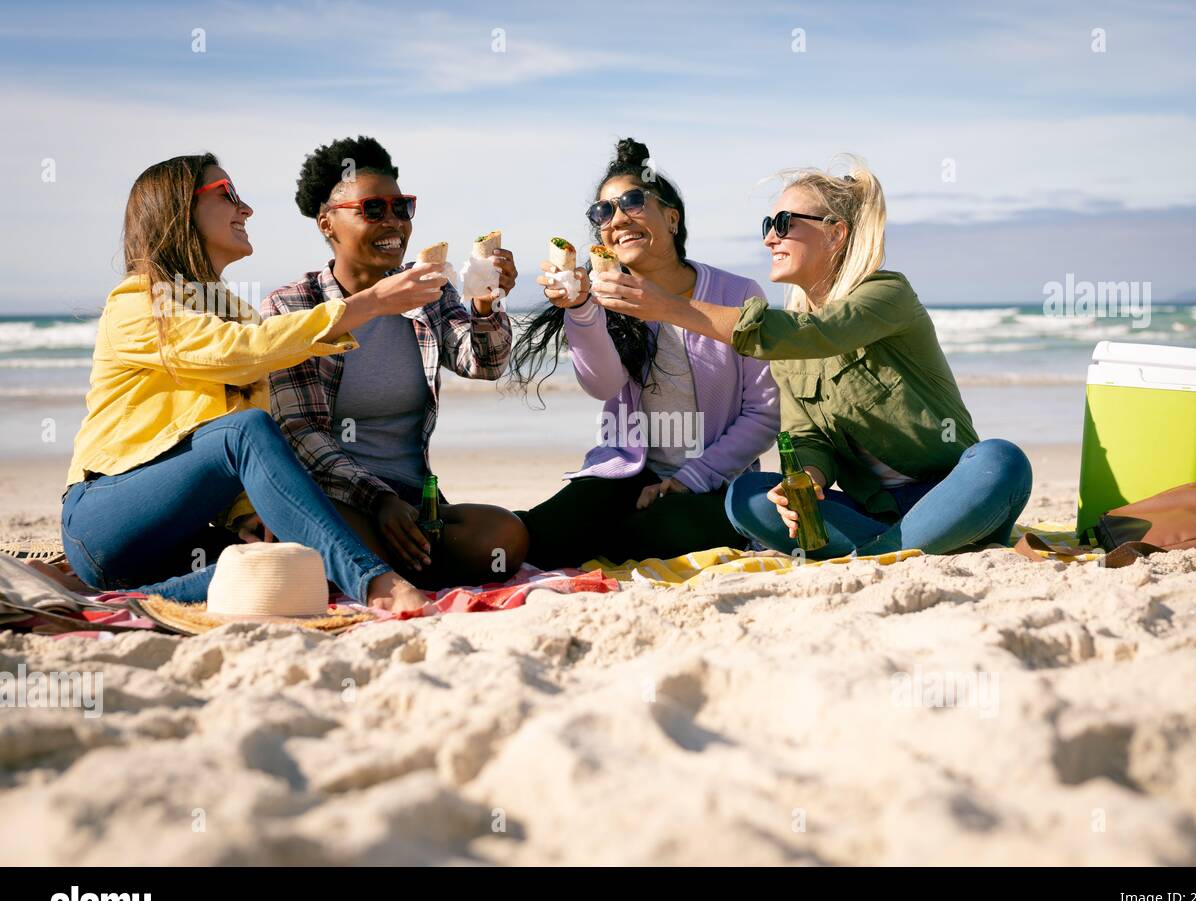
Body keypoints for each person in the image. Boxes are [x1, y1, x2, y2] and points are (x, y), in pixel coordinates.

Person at [588, 155, 1032, 558]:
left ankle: (896, 547)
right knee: (748, 497)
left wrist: (671, 307)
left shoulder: (886, 293)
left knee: (1001, 460)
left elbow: (820, 333)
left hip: (951, 490)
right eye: (767, 225)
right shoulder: (787, 344)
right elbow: (806, 438)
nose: (769, 239)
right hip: (869, 511)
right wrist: (809, 479)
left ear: (835, 232)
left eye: (783, 223)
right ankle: (910, 544)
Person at [61, 154, 438, 611]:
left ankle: (119, 601)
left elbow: (234, 400)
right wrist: (367, 304)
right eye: (227, 195)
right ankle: (378, 585)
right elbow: (237, 354)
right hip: (103, 521)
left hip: (179, 536)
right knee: (250, 430)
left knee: (296, 561)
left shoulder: (235, 309)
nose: (246, 209)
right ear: (180, 209)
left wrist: (247, 514)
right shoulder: (139, 301)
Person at [264, 136, 527, 588]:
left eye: (401, 207)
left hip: (415, 502)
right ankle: (370, 563)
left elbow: (484, 363)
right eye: (373, 209)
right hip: (334, 498)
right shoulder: (293, 306)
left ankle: (362, 569)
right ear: (327, 223)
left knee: (504, 536)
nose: (393, 222)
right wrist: (378, 500)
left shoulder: (428, 290)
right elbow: (299, 431)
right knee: (336, 534)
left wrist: (486, 301)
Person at [511, 139, 778, 568]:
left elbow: (764, 413)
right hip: (627, 472)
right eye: (603, 211)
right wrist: (580, 311)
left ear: (671, 218)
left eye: (633, 202)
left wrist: (691, 478)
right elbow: (602, 385)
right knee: (544, 535)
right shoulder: (599, 299)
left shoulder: (737, 294)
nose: (617, 219)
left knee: (651, 531)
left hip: (715, 481)